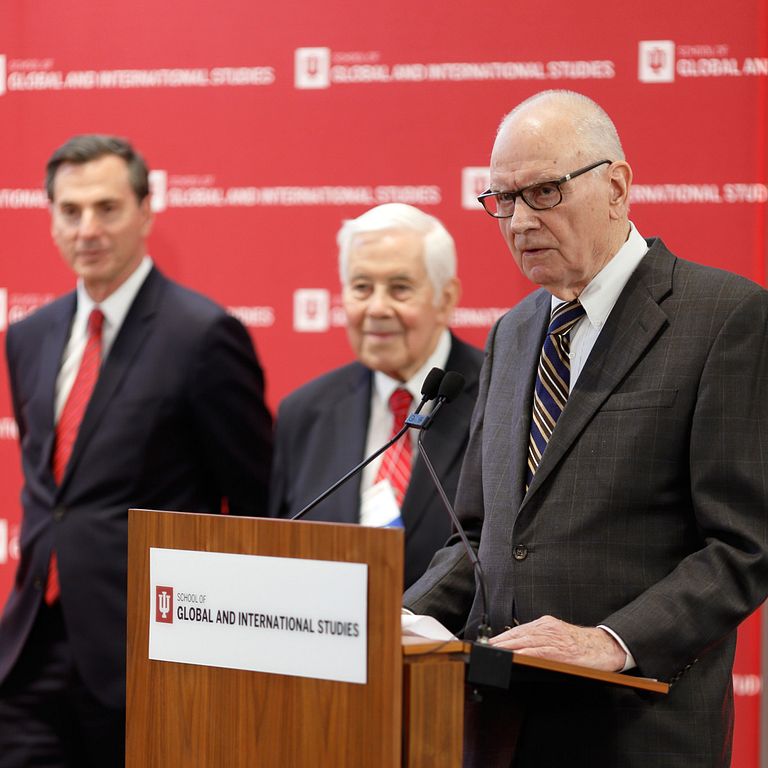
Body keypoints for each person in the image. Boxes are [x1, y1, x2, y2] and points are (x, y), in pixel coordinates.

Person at [403, 90, 768, 767]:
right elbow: (481, 533)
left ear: (617, 186)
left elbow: (743, 545)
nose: (517, 222)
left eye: (542, 192)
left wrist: (612, 639)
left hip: (635, 731)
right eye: (501, 200)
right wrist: (402, 620)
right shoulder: (513, 333)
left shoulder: (724, 317)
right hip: (500, 730)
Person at [0, 135, 273, 768]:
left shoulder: (204, 337)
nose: (87, 229)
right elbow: (54, 492)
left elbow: (258, 502)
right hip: (32, 646)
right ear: (50, 218)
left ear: (146, 211)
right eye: (70, 211)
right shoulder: (27, 338)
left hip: (146, 655)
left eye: (107, 208)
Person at [269, 203, 483, 588]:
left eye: (400, 289)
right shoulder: (304, 412)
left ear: (446, 299)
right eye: (361, 288)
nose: (377, 308)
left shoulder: (499, 396)